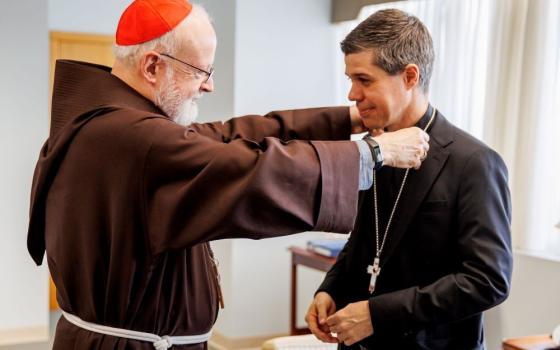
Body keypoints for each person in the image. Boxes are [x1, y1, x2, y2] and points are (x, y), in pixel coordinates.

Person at [26, 1, 430, 349]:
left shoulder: (116, 124)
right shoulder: (135, 140)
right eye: (201, 71)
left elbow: (228, 136)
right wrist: (373, 152)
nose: (209, 86)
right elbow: (251, 170)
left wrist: (344, 119)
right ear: (152, 66)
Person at [305, 9, 512, 350]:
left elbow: (487, 281)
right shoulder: (371, 150)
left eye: (364, 80)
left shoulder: (475, 162)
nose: (352, 95)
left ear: (410, 76)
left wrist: (378, 314)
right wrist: (331, 288)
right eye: (350, 80)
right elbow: (363, 242)